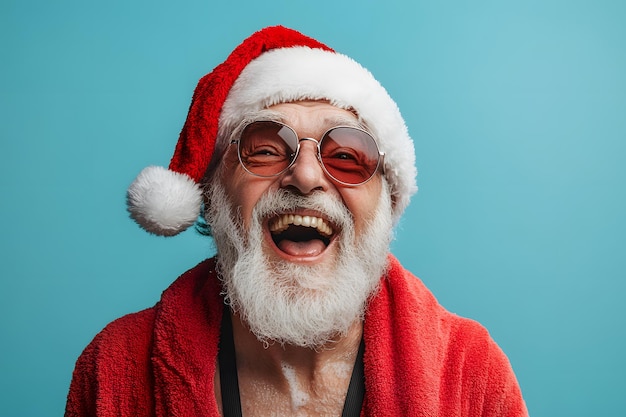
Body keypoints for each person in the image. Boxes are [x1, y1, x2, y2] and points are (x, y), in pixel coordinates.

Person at [66, 26, 528, 417]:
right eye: (264, 150)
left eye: (346, 155)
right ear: (214, 193)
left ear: (387, 201)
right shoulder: (115, 365)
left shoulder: (473, 372)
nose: (306, 176)